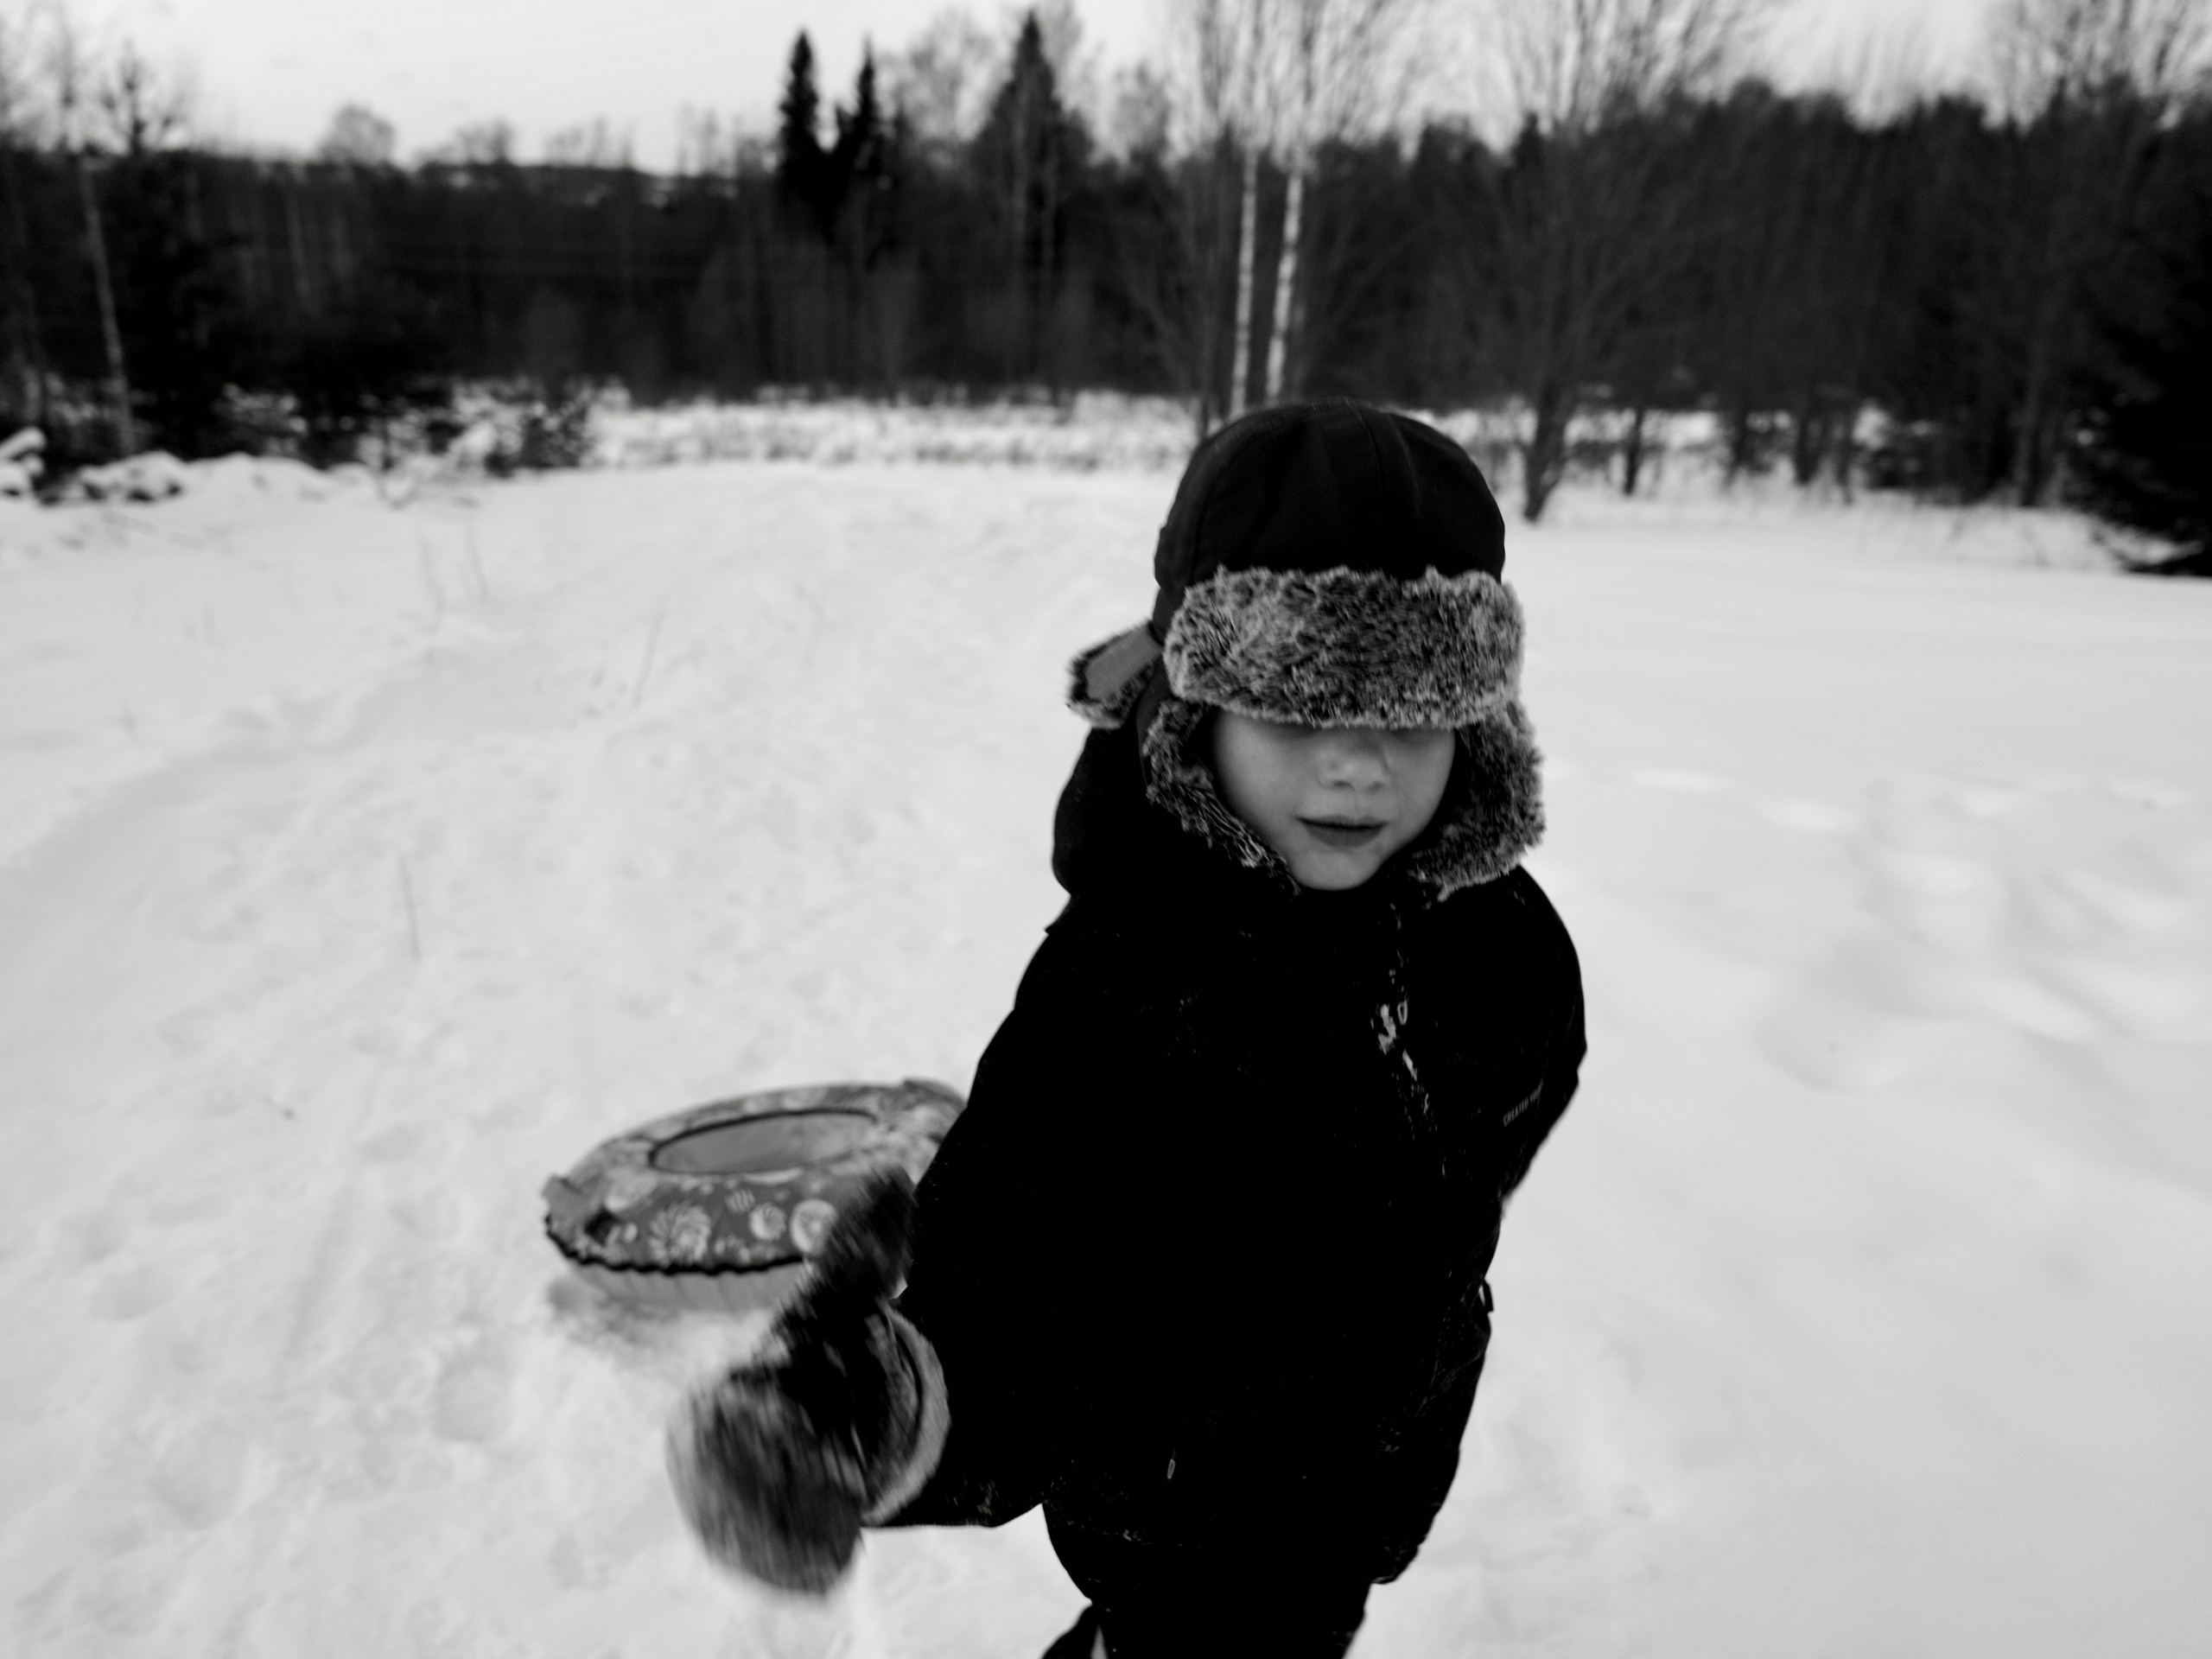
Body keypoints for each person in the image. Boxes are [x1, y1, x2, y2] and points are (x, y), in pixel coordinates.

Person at [668, 402, 1586, 1658]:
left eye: (1413, 720)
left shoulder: (1498, 940)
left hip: (1361, 1483)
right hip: (1176, 1512)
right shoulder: (1130, 988)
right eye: (1306, 713)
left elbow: (1517, 1102)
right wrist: (871, 1411)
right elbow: (1006, 1288)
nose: (1362, 771)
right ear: (1201, 709)